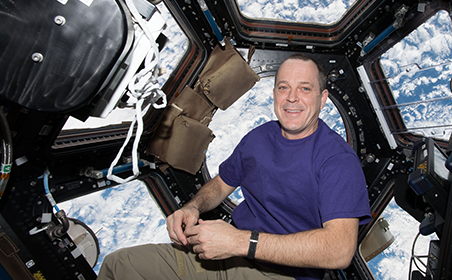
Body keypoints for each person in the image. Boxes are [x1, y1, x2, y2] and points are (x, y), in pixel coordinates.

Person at [98, 54, 372, 280]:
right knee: (119, 267)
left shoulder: (337, 161)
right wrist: (194, 206)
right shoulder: (259, 137)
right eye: (283, 87)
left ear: (322, 98)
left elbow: (339, 250)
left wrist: (239, 242)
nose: (292, 98)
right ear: (275, 93)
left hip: (284, 273)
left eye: (305, 88)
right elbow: (221, 183)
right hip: (227, 255)